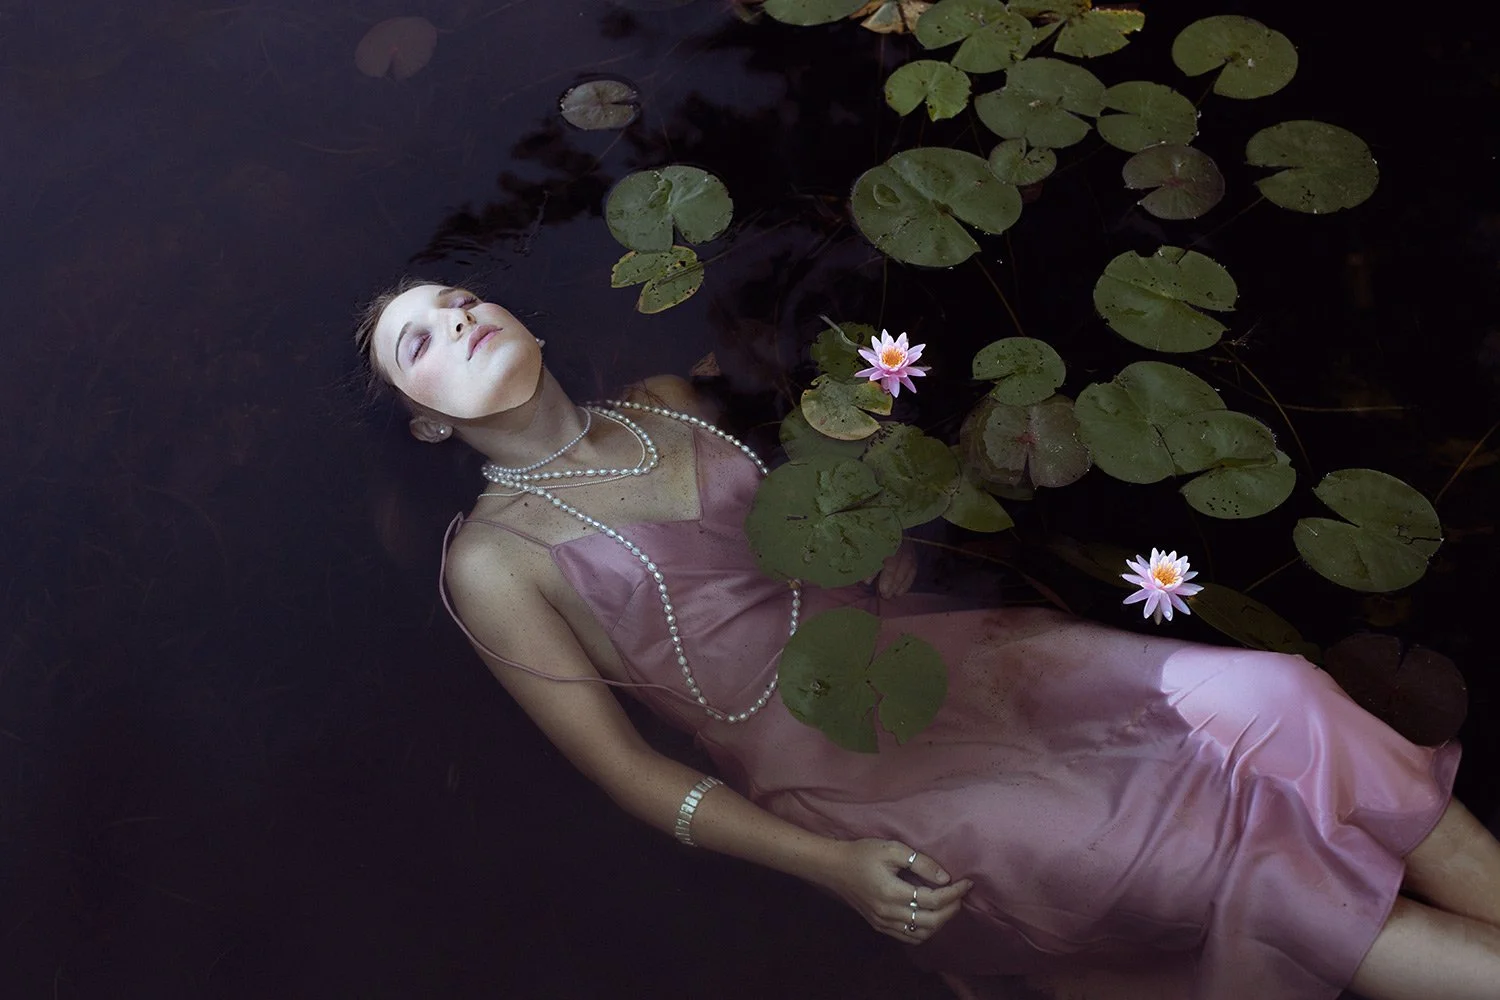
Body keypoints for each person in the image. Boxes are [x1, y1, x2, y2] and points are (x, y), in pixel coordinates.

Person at [355, 278, 1500, 1000]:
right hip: (839, 765)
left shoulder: (669, 398)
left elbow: (817, 513)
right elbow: (628, 774)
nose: (455, 316)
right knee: (1214, 857)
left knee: (1285, 702)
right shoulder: (492, 557)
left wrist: (883, 528)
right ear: (427, 419)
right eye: (420, 341)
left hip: (944, 660)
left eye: (458, 298)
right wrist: (837, 868)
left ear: (528, 319)